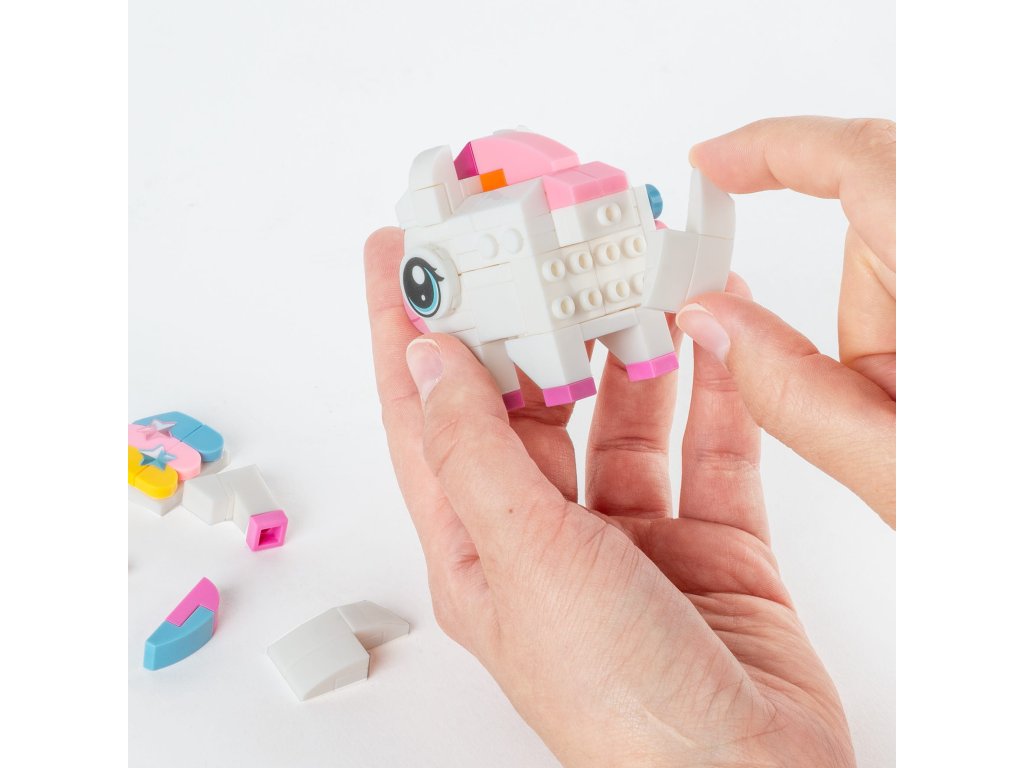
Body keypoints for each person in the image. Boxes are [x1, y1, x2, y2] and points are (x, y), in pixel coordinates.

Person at [364, 116, 895, 767]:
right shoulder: (480, 243)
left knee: (626, 341)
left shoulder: (522, 234)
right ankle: (638, 347)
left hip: (590, 295)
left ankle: (638, 344)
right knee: (622, 344)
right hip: (574, 299)